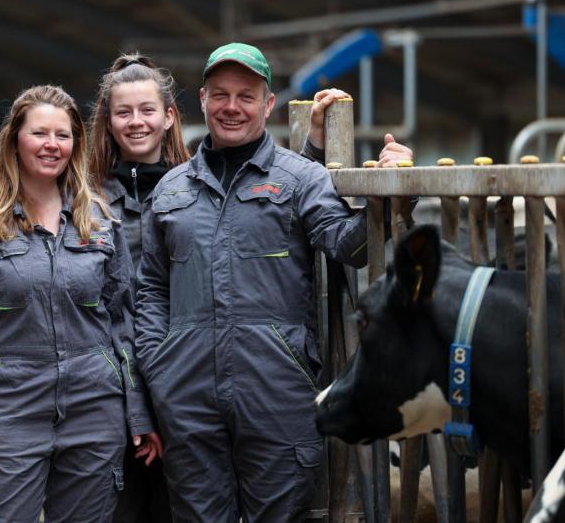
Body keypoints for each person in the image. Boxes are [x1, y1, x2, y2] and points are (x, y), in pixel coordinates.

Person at [133, 42, 413, 522]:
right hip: (187, 394)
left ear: (268, 105)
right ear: (202, 100)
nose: (231, 107)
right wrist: (161, 369)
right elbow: (152, 290)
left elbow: (351, 246)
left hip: (276, 390)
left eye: (246, 96)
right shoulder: (171, 189)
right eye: (220, 94)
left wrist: (391, 196)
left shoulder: (300, 178)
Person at [0, 84, 163, 522]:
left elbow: (123, 323)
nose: (52, 145)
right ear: (15, 140)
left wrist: (138, 411)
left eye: (63, 135)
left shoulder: (98, 219)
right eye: (40, 133)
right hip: (8, 411)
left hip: (94, 412)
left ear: (76, 144)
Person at [88, 53, 192, 522]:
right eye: (123, 112)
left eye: (147, 110)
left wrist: (313, 147)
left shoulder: (199, 188)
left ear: (169, 117)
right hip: (107, 394)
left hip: (185, 385)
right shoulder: (82, 199)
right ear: (107, 122)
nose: (136, 122)